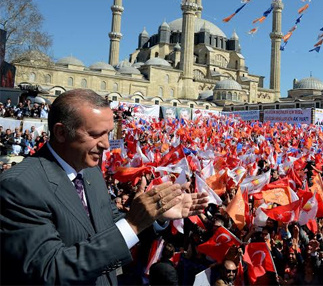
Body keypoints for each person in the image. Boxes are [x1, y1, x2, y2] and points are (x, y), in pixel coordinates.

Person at [0, 89, 209, 285]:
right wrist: (133, 224)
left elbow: (111, 228)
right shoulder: (19, 187)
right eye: (95, 134)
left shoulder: (90, 172)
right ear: (61, 133)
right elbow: (50, 270)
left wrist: (156, 215)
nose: (106, 144)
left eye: (108, 133)